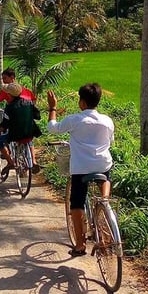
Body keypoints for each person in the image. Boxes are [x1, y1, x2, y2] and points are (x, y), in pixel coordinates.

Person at [46, 83, 114, 257]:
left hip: (81, 168)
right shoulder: (107, 120)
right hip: (102, 164)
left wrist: (52, 108)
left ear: (82, 102)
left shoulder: (74, 119)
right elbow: (110, 141)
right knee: (105, 177)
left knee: (76, 203)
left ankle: (80, 244)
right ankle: (105, 201)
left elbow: (52, 128)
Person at [0, 83, 42, 180]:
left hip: (15, 135)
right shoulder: (29, 102)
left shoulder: (9, 107)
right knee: (29, 140)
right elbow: (37, 116)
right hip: (30, 132)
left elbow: (5, 123)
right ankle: (33, 161)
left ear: (9, 95)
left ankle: (10, 162)